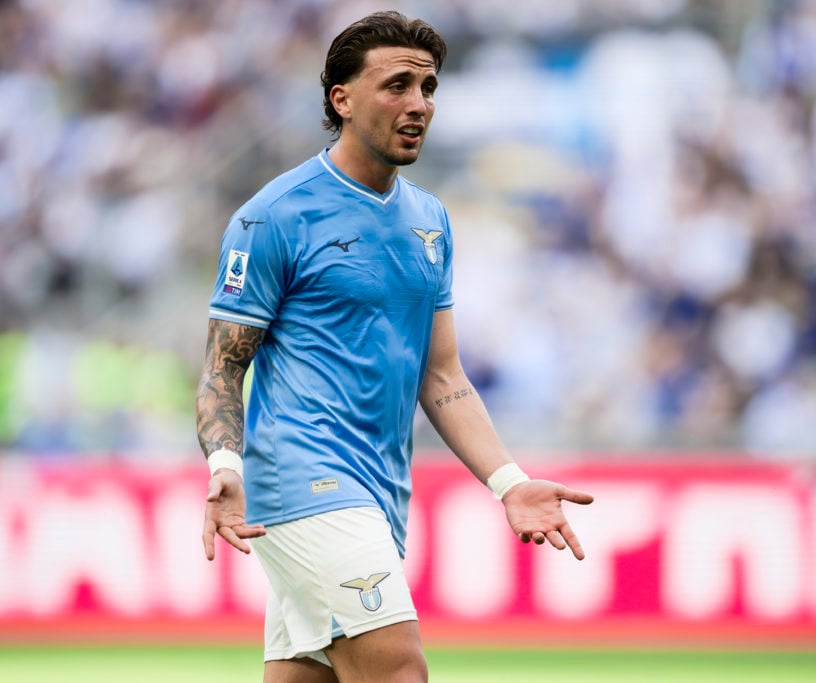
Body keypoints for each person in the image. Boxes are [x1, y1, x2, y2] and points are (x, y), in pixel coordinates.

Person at [195, 11, 594, 683]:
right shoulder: (275, 215)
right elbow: (222, 365)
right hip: (303, 482)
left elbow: (442, 376)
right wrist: (224, 465)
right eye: (398, 84)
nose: (419, 104)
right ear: (340, 99)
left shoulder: (429, 220)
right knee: (398, 670)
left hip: (377, 490)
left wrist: (510, 482)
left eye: (429, 86)